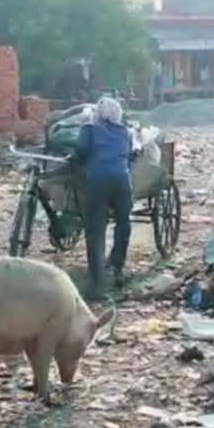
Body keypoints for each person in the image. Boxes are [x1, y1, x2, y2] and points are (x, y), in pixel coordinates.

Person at [73, 97, 133, 300]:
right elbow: (129, 153)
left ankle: (97, 281)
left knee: (95, 229)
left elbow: (80, 152)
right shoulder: (125, 131)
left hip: (98, 181)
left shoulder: (89, 129)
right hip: (123, 181)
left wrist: (80, 163)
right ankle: (117, 266)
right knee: (123, 223)